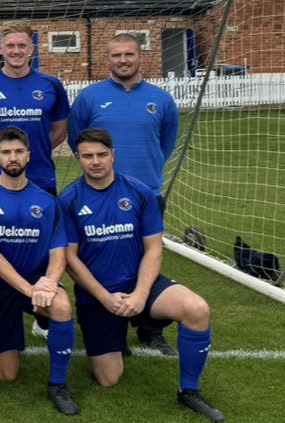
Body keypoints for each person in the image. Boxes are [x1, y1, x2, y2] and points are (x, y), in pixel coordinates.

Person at [59, 129, 223, 422]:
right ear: (78, 159)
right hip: (99, 295)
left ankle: (189, 391)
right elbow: (70, 259)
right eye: (88, 156)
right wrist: (105, 298)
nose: (95, 162)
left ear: (113, 156)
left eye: (101, 155)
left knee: (197, 309)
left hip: (140, 286)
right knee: (108, 378)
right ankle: (112, 332)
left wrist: (140, 295)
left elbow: (153, 249)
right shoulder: (69, 200)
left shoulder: (139, 192)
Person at [66, 33, 181, 355]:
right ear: (108, 59)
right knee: (102, 259)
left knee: (148, 257)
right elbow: (80, 141)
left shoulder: (160, 100)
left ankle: (150, 328)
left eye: (129, 54)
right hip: (99, 195)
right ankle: (110, 325)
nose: (123, 60)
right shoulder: (90, 98)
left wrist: (145, 174)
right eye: (116, 55)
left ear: (139, 56)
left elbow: (166, 143)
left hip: (146, 194)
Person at [0, 127, 79, 416]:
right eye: (6, 152)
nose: (13, 157)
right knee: (6, 375)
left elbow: (58, 254)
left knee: (62, 305)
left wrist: (48, 285)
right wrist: (30, 291)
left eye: (18, 151)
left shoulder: (46, 201)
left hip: (36, 282)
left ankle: (58, 385)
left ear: (29, 156)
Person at [0, 23, 70, 195]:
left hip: (41, 176)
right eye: (10, 45)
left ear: (31, 49)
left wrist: (32, 153)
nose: (16, 51)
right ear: (1, 49)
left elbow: (61, 130)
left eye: (22, 45)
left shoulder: (51, 85)